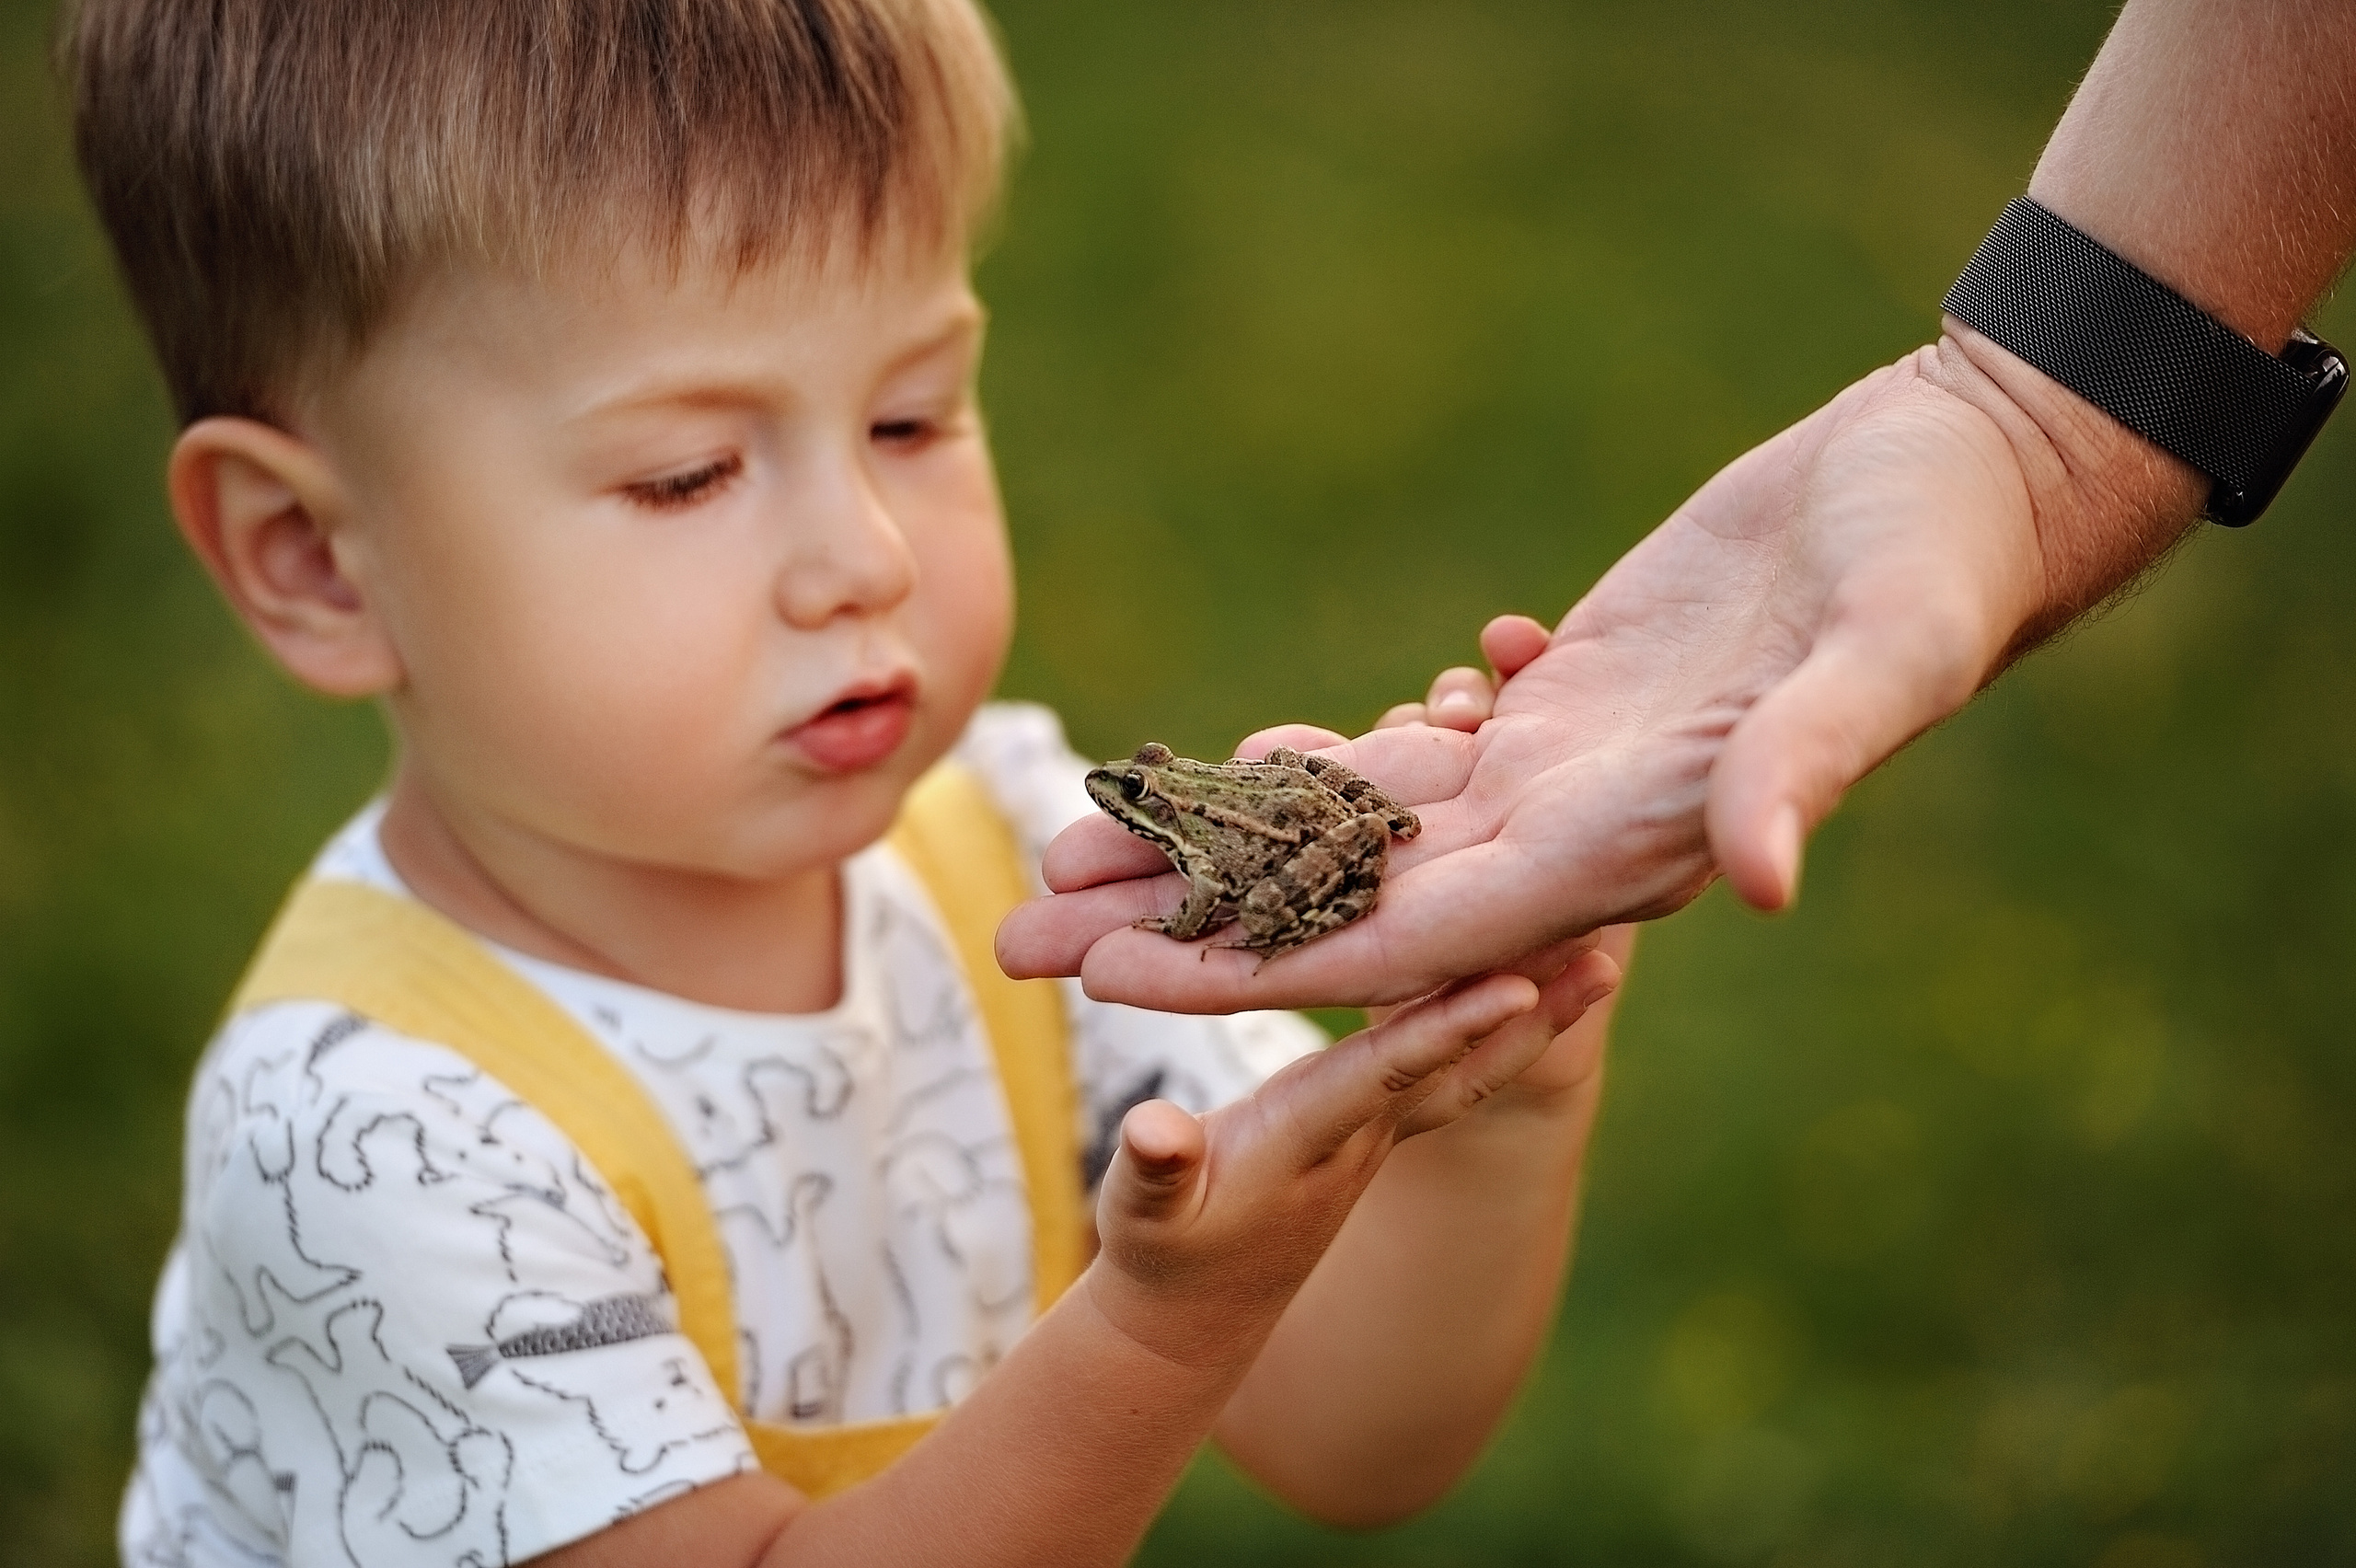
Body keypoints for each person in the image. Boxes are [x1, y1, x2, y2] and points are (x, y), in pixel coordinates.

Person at [75, 2, 1632, 1563]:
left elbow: (1358, 1439)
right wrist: (1158, 1334)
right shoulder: (378, 1139)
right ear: (315, 563)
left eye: (911, 417)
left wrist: (1490, 1081)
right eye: (686, 471)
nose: (866, 560)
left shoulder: (1021, 858)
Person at [997, 0, 2356, 1014]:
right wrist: (2027, 416)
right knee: (1326, 824)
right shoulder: (1206, 806)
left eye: (1136, 789)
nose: (1130, 793)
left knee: (1274, 890)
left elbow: (1245, 875)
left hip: (1311, 837)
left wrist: (2032, 427)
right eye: (1138, 788)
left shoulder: (1194, 840)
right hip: (1338, 815)